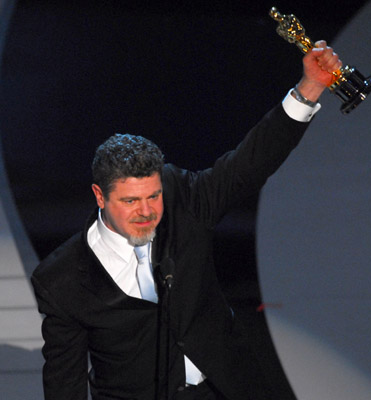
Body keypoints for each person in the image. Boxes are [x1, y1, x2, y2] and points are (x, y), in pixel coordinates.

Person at [31, 41, 342, 400]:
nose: (146, 211)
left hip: (227, 389)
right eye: (130, 201)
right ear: (100, 196)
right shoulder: (62, 280)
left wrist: (310, 89)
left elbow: (246, 167)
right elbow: (63, 384)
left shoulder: (181, 199)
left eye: (153, 196)